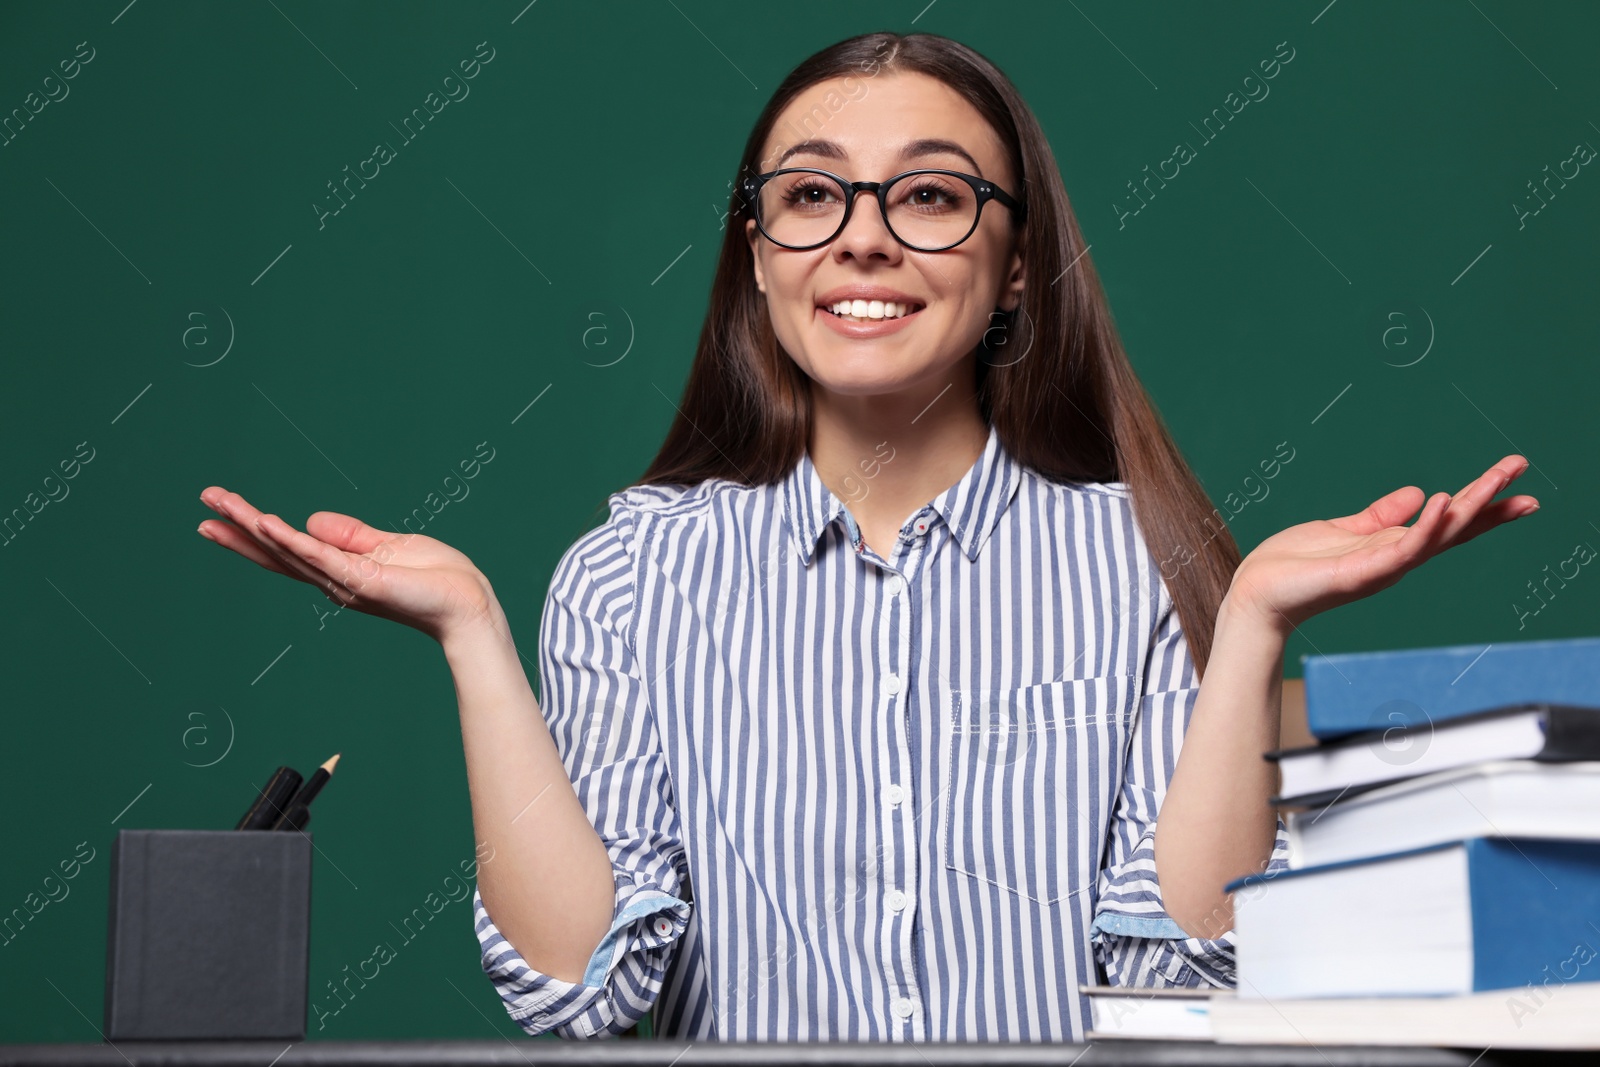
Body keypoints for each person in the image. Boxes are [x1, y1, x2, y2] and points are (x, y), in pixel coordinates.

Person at [196, 31, 1537, 1042]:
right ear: (760, 255)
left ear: (1015, 268)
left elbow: (1183, 985)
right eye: (812, 197)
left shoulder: (1135, 563)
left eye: (934, 197)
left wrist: (1249, 626)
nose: (866, 242)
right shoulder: (628, 578)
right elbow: (585, 995)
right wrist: (472, 634)